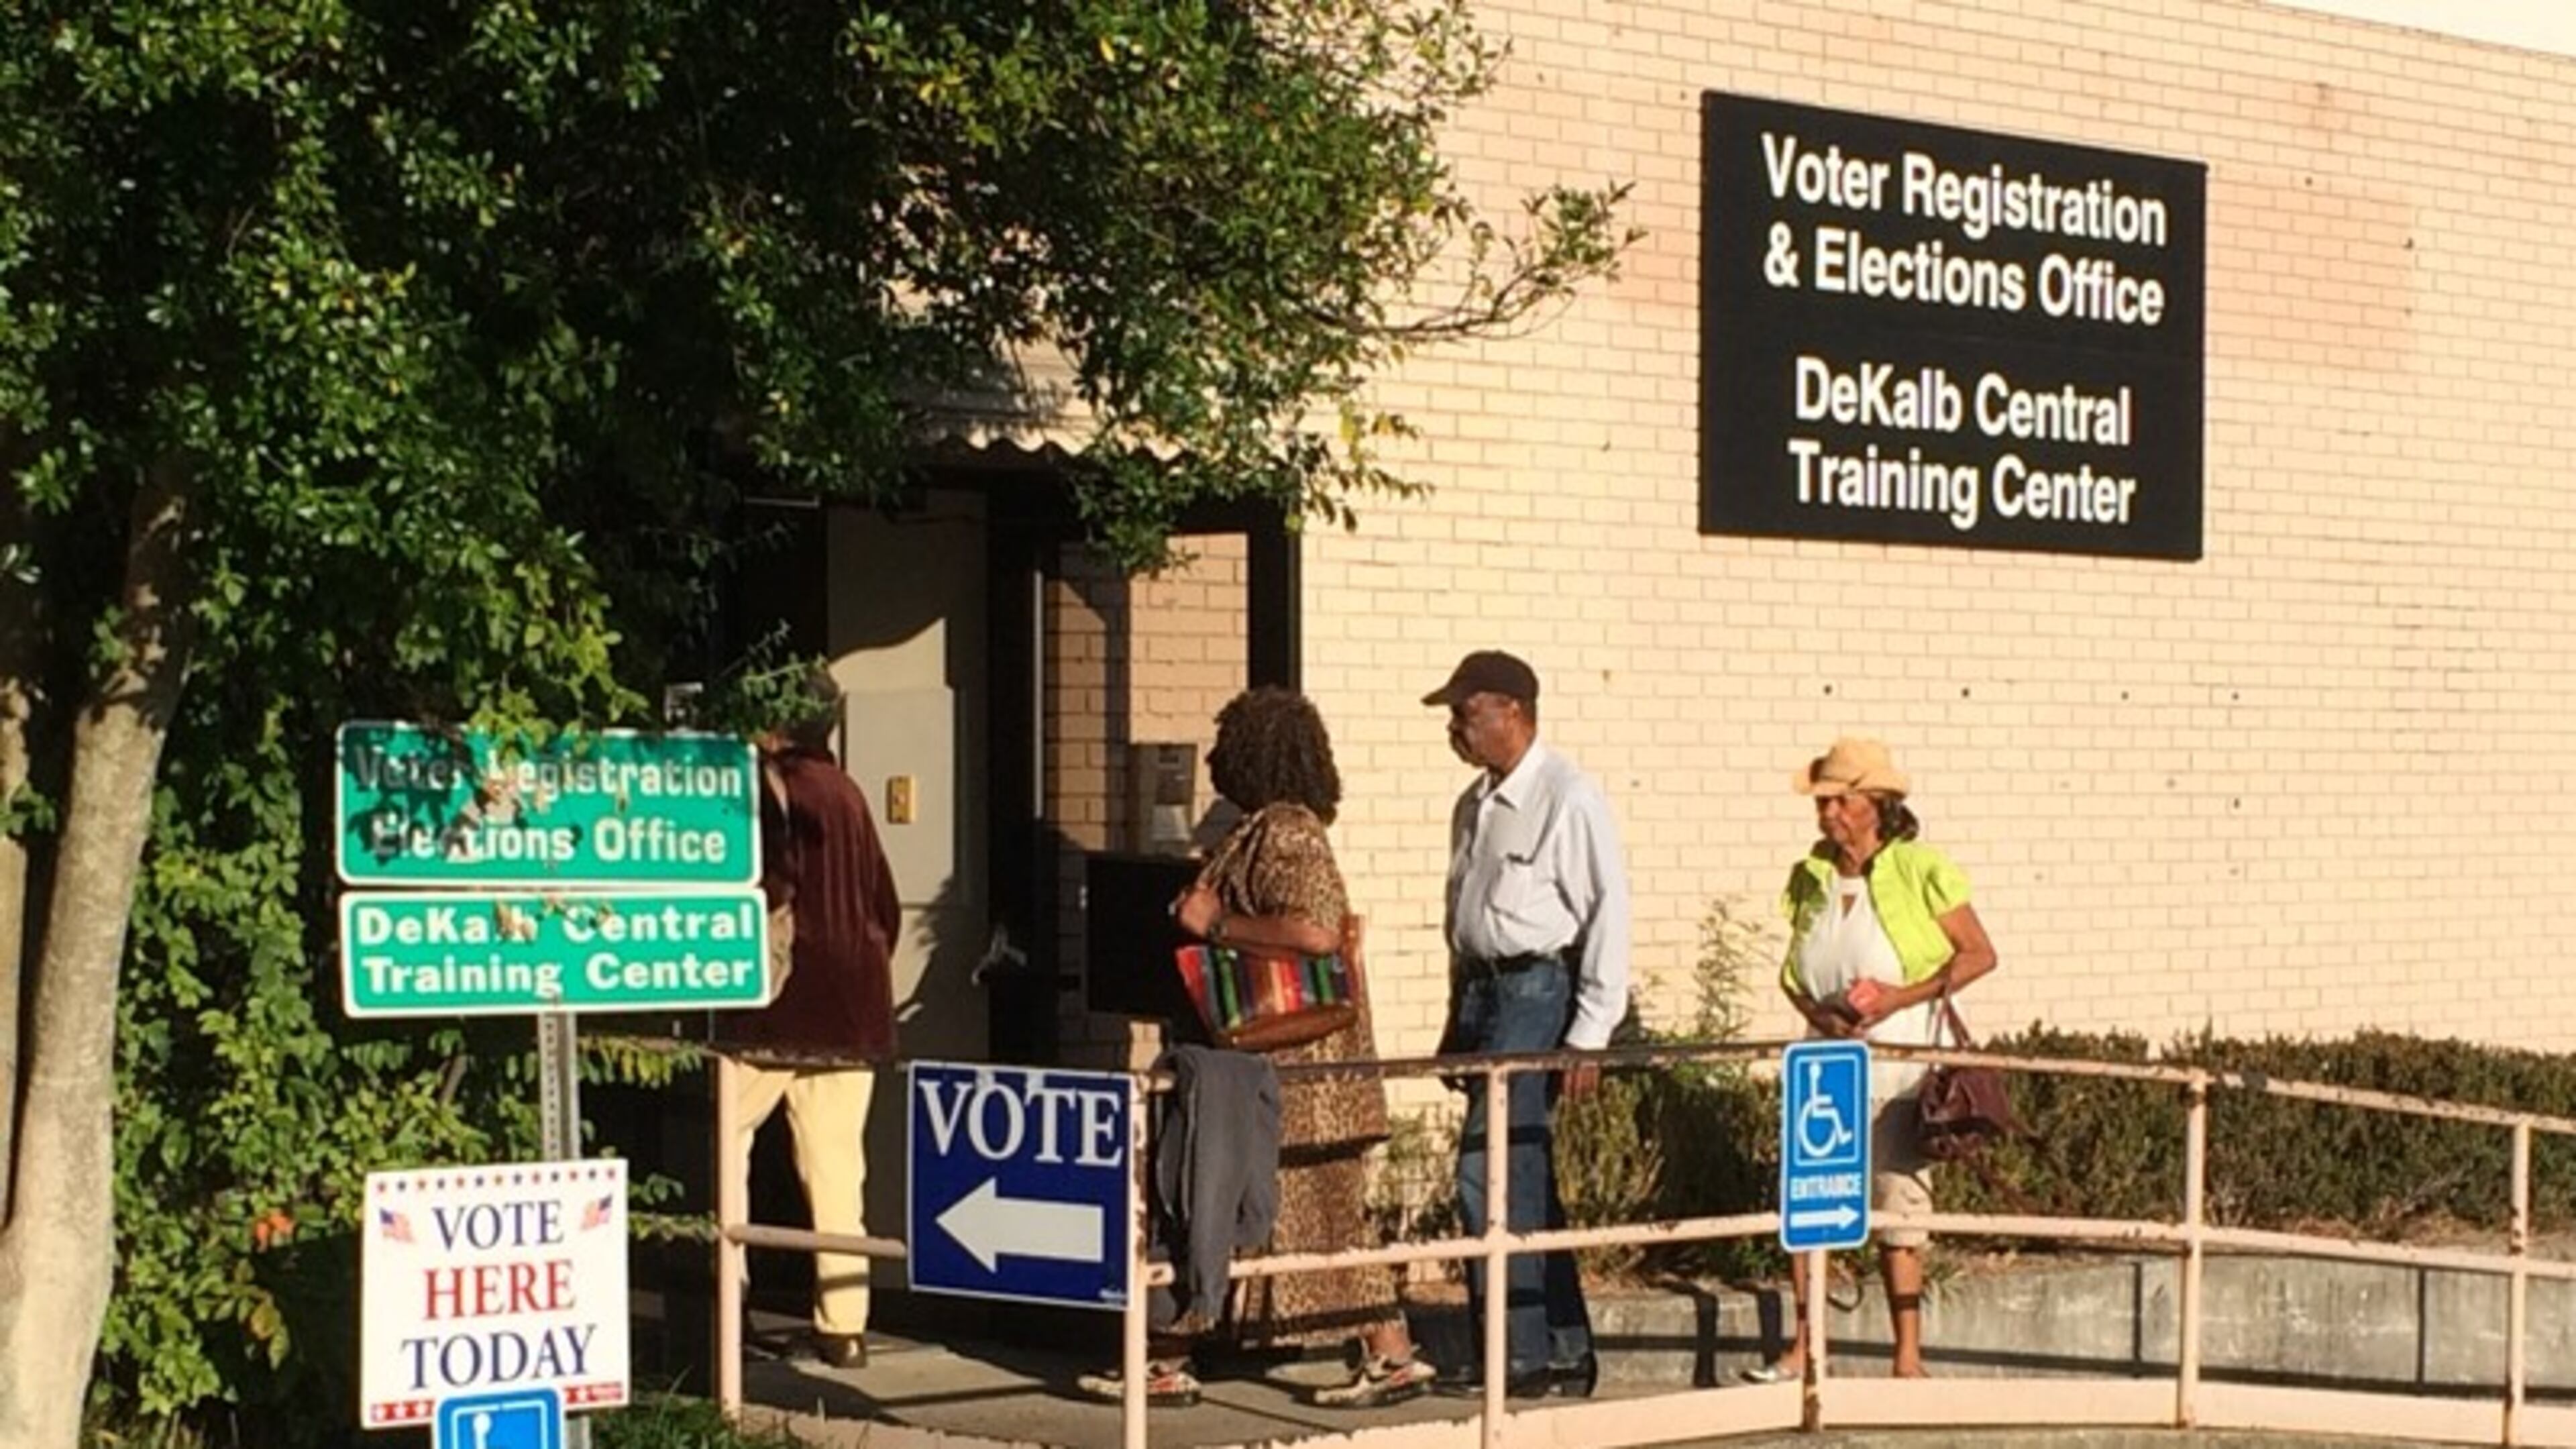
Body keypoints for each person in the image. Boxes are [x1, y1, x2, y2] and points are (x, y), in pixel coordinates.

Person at [1079, 687, 1438, 1409]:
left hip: (1302, 1073)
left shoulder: (1288, 833)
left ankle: (1380, 1356)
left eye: (1226, 744)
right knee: (1236, 1204)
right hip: (1278, 1072)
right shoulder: (1262, 830)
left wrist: (1214, 923)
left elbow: (1316, 931)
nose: (1212, 759)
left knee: (1284, 1213)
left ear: (1256, 754)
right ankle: (1173, 1356)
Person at [1746, 737, 1998, 1383]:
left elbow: (1977, 954)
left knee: (1899, 1207)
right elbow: (1791, 970)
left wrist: (1897, 998)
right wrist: (1816, 1008)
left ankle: (1907, 1356)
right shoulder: (1814, 876)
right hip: (1823, 1068)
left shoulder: (1918, 869)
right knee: (1808, 1204)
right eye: (1824, 802)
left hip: (1895, 1068)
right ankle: (1805, 1347)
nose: (1828, 814)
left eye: (1841, 801)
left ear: (1876, 805)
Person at [1424, 650, 1629, 1399]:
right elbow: (1464, 916)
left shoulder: (1569, 796)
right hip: (1486, 991)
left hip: (1539, 988)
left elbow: (1608, 909)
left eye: (1466, 711)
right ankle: (1565, 1345)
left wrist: (1591, 1032)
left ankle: (1518, 1358)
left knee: (1490, 1169)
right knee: (1524, 1174)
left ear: (1512, 710)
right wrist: (1458, 1017)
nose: (1456, 726)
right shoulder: (1473, 805)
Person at [720, 672, 902, 1370]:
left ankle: (728, 1303)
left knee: (724, 1147)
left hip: (778, 1007)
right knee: (836, 1172)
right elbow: (884, 904)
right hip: (856, 1009)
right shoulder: (848, 793)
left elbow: (770, 887)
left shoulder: (770, 789)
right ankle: (844, 1326)